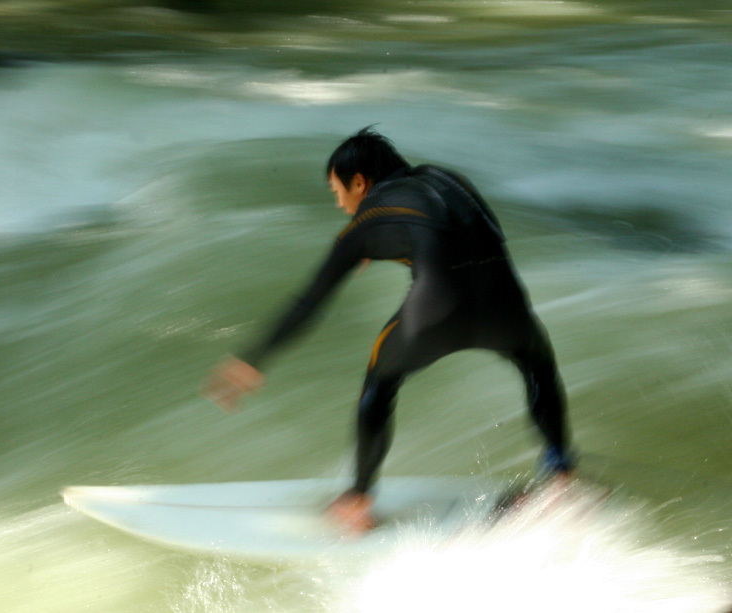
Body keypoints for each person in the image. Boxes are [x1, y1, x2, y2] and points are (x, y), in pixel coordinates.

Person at [204, 127, 574, 532]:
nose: (340, 204)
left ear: (359, 182)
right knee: (538, 365)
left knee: (380, 383)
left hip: (437, 315)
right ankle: (561, 480)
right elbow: (472, 234)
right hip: (508, 307)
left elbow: (311, 300)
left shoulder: (364, 225)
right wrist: (387, 244)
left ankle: (358, 501)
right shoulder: (451, 179)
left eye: (337, 192)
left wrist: (254, 358)